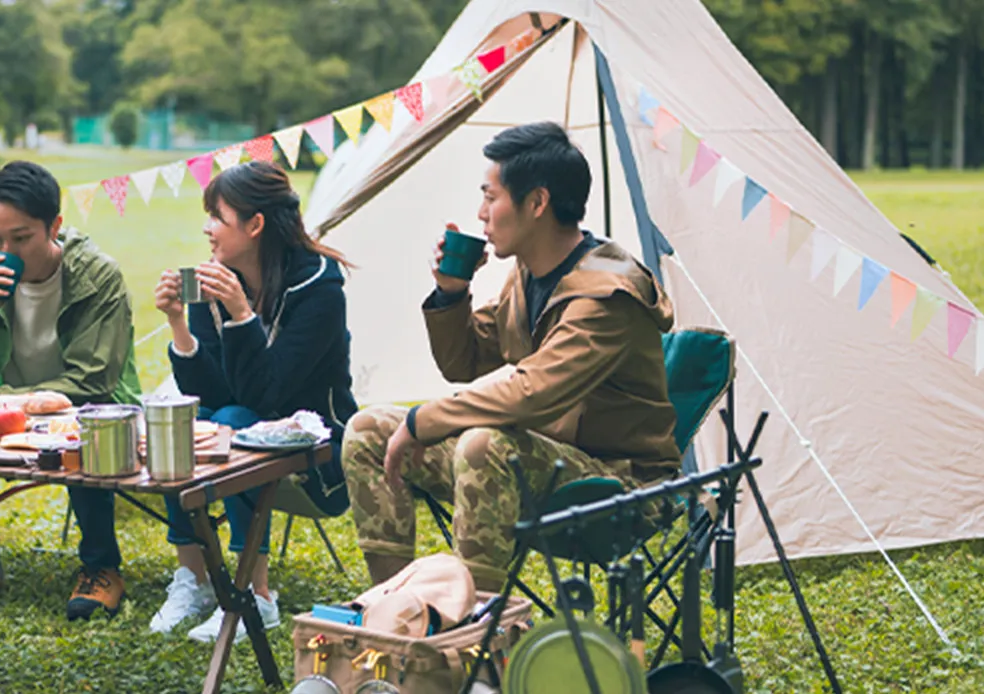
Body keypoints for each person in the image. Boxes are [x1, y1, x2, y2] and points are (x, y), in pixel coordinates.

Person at [343, 122, 680, 593]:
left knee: (484, 445)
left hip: (621, 485)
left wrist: (425, 420)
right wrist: (450, 294)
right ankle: (398, 614)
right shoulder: (530, 274)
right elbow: (468, 360)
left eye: (491, 196)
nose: (481, 213)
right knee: (367, 430)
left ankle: (475, 637)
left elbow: (533, 394)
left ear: (537, 203)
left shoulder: (605, 295)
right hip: (538, 461)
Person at [146, 160, 358, 643]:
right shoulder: (215, 281)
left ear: (255, 224)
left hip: (319, 449)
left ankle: (256, 598)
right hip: (243, 428)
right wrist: (180, 323)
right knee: (191, 422)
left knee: (236, 422)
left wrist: (242, 314)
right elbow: (212, 395)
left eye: (217, 216)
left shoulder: (319, 288)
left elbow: (269, 395)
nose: (207, 229)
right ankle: (195, 580)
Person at [0, 160, 142, 621]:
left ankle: (101, 567)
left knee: (92, 424)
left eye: (21, 238)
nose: (5, 250)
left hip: (87, 407)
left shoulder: (98, 276)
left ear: (55, 227)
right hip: (2, 408)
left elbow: (92, 382)